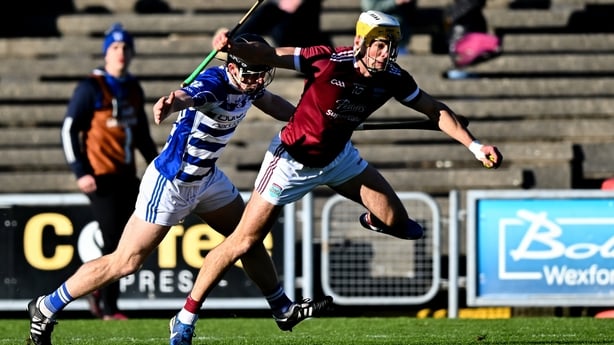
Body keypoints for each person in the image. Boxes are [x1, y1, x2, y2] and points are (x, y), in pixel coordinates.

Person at [171, 8, 503, 341]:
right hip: (291, 161)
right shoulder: (327, 60)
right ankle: (186, 318)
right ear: (360, 41)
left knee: (401, 225)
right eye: (378, 45)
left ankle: (371, 220)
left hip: (339, 159)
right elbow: (272, 55)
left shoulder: (394, 77)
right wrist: (235, 47)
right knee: (244, 241)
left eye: (390, 46)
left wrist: (475, 146)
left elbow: (435, 110)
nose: (384, 53)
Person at [28, 33, 332, 345]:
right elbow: (191, 95)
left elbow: (273, 103)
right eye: (252, 74)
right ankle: (46, 306)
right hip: (172, 182)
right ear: (233, 68)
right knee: (126, 262)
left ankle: (281, 308)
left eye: (261, 74)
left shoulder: (250, 86)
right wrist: (173, 102)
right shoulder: (215, 81)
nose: (258, 81)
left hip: (208, 180)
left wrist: (313, 120)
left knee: (247, 238)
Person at [60, 22, 159, 321]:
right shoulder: (91, 87)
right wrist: (80, 171)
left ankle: (99, 295)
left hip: (127, 176)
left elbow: (141, 134)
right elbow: (68, 130)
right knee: (114, 240)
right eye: (115, 47)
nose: (121, 53)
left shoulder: (132, 88)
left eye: (126, 47)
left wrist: (156, 166)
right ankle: (106, 306)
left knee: (128, 243)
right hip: (100, 177)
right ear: (106, 53)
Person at [234, 0, 332, 47]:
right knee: (263, 15)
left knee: (281, 34)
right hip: (277, 6)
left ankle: (321, 48)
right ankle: (235, 42)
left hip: (304, 8)